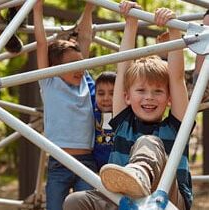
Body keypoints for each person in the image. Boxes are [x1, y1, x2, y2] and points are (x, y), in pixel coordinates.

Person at [63, 1, 192, 210]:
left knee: (149, 142)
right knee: (75, 201)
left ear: (169, 98)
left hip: (166, 199)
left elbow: (176, 79)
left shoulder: (176, 126)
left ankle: (139, 173)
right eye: (141, 91)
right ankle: (131, 182)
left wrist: (174, 32)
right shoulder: (123, 121)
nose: (149, 97)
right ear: (127, 97)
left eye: (158, 91)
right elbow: (123, 70)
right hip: (123, 201)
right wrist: (131, 24)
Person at [34, 1, 97, 210]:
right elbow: (42, 44)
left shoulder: (85, 80)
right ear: (56, 68)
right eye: (73, 65)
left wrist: (89, 8)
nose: (79, 68)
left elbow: (85, 37)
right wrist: (37, 8)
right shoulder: (49, 82)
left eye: (81, 63)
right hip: (59, 163)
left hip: (86, 162)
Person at [93, 72, 116, 171]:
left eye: (112, 94)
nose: (106, 98)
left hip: (118, 171)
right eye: (101, 94)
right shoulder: (91, 114)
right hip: (94, 172)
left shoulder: (127, 117)